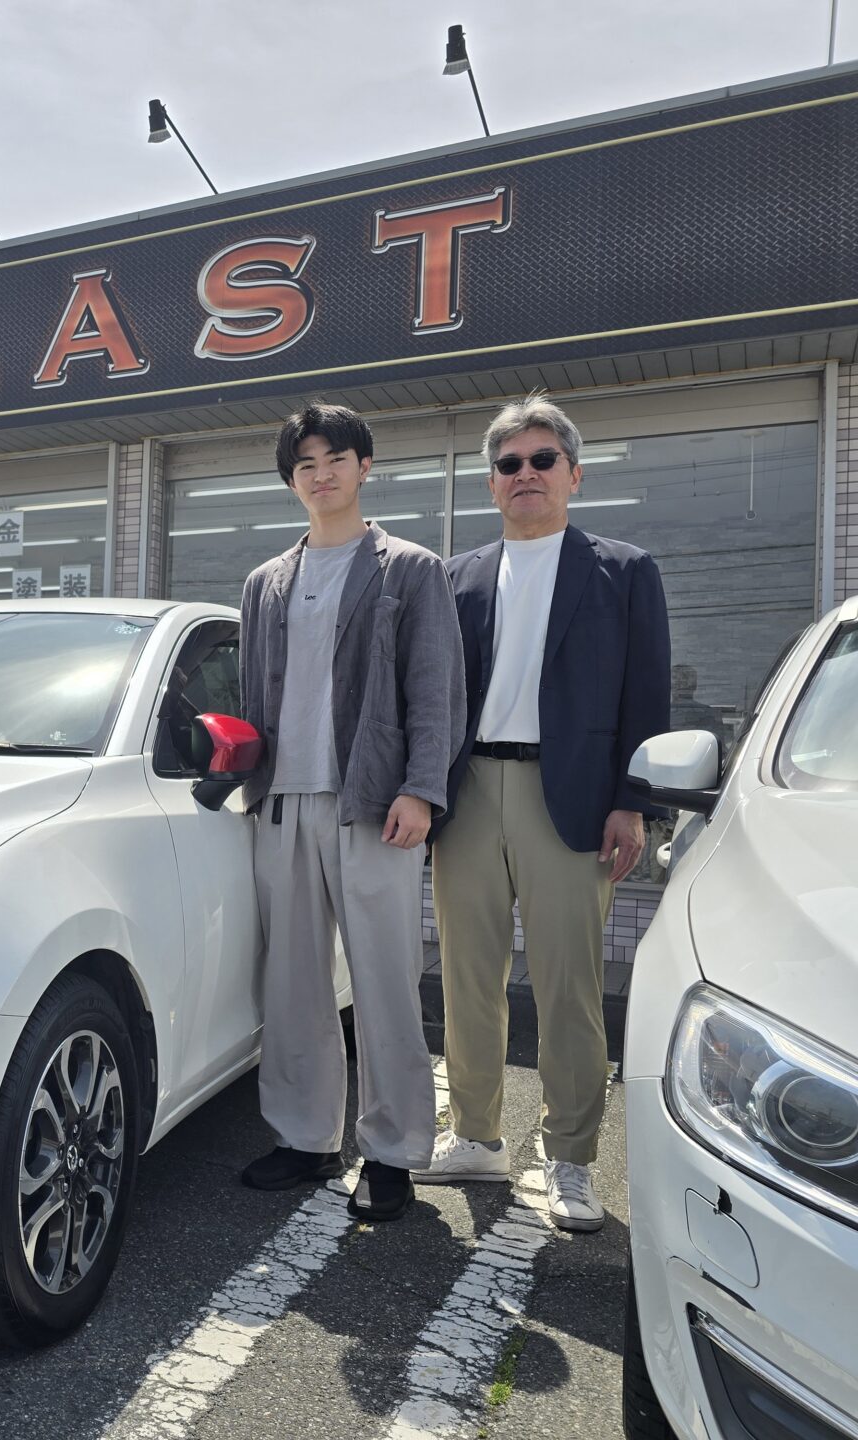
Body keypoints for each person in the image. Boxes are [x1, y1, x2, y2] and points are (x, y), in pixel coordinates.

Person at [416, 395, 670, 1232]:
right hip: (469, 792)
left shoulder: (623, 571)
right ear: (492, 483)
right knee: (467, 976)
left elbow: (646, 695)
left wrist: (633, 802)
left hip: (572, 795)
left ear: (573, 474)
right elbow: (433, 695)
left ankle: (571, 1158)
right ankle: (476, 1135)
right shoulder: (457, 577)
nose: (525, 474)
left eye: (542, 460)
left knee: (568, 986)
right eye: (509, 464)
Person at [236, 403, 465, 1222]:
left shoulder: (410, 568)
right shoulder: (266, 582)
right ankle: (305, 1137)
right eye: (305, 464)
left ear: (365, 466)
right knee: (293, 982)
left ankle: (394, 1150)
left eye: (335, 458)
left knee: (385, 982)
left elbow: (434, 688)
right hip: (282, 801)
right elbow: (253, 695)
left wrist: (422, 788)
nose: (321, 474)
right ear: (291, 480)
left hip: (373, 803)